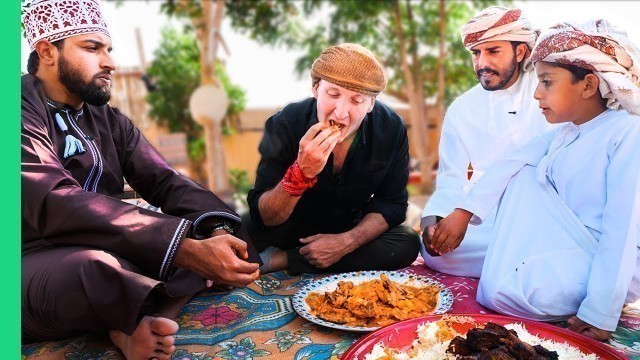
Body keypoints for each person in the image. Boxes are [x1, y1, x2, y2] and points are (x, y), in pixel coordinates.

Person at [21, 1, 261, 359]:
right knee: (95, 268)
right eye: (92, 48)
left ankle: (132, 323)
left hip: (110, 244)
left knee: (186, 238)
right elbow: (53, 199)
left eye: (109, 50)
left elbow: (165, 181)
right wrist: (182, 249)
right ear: (47, 52)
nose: (110, 62)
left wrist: (216, 232)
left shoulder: (109, 119)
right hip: (31, 256)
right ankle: (136, 320)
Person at [428, 19, 640, 341]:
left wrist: (600, 312)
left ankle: (593, 296)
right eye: (538, 81)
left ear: (588, 85)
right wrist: (462, 214)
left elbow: (621, 232)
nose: (537, 93)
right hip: (557, 243)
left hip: (601, 256)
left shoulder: (626, 133)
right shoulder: (566, 132)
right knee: (519, 173)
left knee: (517, 291)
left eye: (547, 83)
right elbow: (507, 165)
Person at [243, 43, 420, 274]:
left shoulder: (391, 128)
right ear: (316, 89)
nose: (340, 113)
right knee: (232, 233)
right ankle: (311, 256)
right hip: (287, 225)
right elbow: (266, 216)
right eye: (333, 94)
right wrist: (301, 172)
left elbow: (391, 203)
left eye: (356, 100)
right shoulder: (285, 123)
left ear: (371, 104)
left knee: (407, 242)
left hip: (349, 226)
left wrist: (347, 242)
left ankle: (283, 260)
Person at [419, 6, 553, 277]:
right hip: (488, 218)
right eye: (476, 53)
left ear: (520, 51)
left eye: (493, 51)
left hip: (548, 213)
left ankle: (522, 264)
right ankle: (523, 268)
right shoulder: (463, 108)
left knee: (548, 244)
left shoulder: (548, 91)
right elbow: (451, 176)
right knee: (437, 256)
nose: (482, 64)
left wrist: (466, 211)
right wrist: (434, 220)